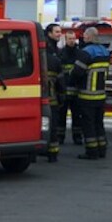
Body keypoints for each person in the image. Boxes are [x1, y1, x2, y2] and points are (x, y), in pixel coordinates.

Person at [71, 26, 111, 160]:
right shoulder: (105, 52)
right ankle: (102, 149)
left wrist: (72, 81)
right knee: (99, 123)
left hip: (87, 96)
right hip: (101, 95)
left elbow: (77, 73)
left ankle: (92, 151)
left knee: (88, 125)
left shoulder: (86, 52)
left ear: (87, 37)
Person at [43, 24, 65, 162]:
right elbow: (61, 83)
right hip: (53, 100)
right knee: (53, 126)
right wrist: (62, 98)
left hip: (37, 99)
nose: (59, 34)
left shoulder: (34, 58)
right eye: (57, 32)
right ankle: (53, 153)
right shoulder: (55, 59)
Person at [59, 31, 83, 145]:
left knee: (77, 116)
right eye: (69, 39)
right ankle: (60, 136)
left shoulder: (79, 53)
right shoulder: (61, 53)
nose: (72, 41)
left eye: (73, 38)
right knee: (61, 116)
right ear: (65, 39)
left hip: (76, 91)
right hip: (64, 91)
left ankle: (77, 136)